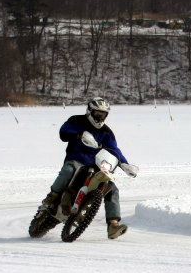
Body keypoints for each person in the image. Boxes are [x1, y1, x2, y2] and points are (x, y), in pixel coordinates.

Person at [35, 97, 139, 239]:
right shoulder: (76, 120)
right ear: (90, 111)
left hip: (96, 165)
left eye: (103, 115)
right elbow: (63, 132)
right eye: (97, 114)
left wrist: (125, 164)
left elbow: (115, 150)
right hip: (76, 160)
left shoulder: (106, 132)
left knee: (112, 188)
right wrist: (77, 135)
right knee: (68, 170)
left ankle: (113, 224)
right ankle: (51, 197)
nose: (100, 117)